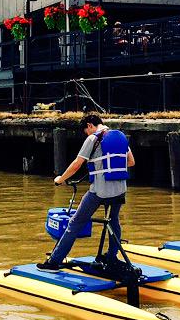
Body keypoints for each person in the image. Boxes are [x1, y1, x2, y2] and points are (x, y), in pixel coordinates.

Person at [40, 114, 136, 270]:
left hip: (99, 191)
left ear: (90, 125)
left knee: (75, 222)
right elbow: (131, 161)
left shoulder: (93, 139)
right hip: (119, 190)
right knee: (114, 221)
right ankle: (111, 257)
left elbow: (77, 164)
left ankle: (54, 261)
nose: (87, 134)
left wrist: (61, 179)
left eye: (86, 130)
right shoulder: (119, 138)